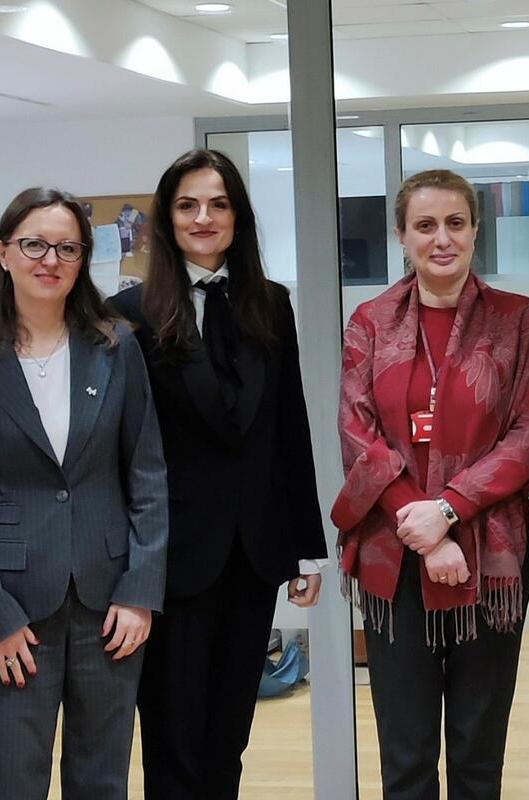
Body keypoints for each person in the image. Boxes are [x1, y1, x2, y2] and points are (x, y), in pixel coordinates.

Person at [0, 187, 167, 799]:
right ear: (4, 253)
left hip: (108, 606)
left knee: (101, 781)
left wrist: (140, 592)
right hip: (12, 612)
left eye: (67, 247)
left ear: (82, 258)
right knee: (16, 783)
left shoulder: (116, 348)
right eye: (34, 244)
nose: (50, 260)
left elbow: (146, 476)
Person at [109, 148, 327, 798]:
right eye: (187, 205)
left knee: (230, 738)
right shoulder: (129, 314)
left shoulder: (271, 304)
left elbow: (289, 427)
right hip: (169, 558)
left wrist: (306, 550)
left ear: (238, 217)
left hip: (253, 553)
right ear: (167, 219)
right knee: (174, 740)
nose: (203, 217)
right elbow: (119, 450)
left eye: (218, 204)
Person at [331, 169, 529, 800]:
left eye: (456, 223)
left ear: (476, 230)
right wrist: (422, 526)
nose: (442, 239)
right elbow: (357, 432)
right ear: (401, 236)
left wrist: (448, 511)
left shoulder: (517, 319)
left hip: (488, 550)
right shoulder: (371, 321)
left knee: (478, 757)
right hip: (394, 553)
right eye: (425, 225)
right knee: (406, 758)